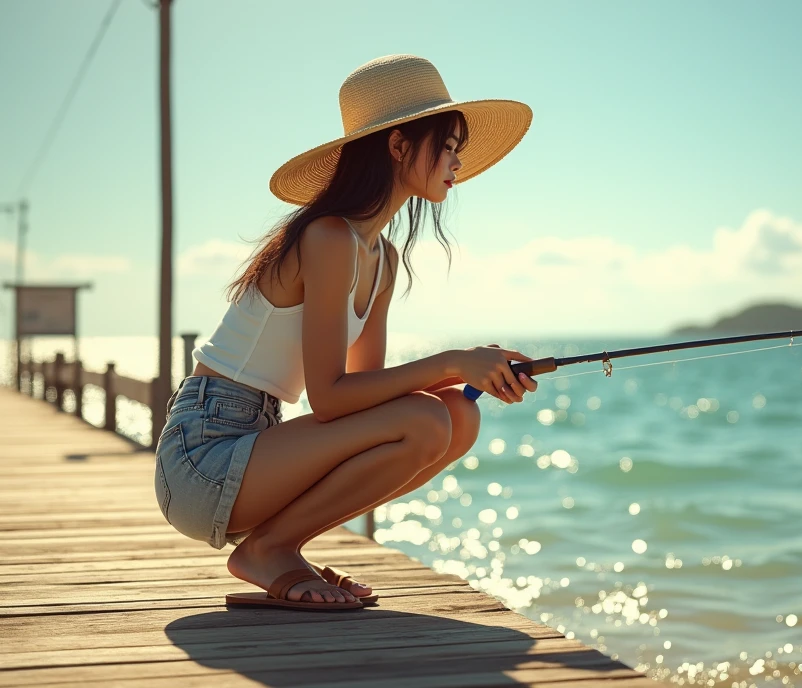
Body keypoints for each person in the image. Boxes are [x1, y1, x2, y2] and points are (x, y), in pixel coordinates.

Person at [153, 54, 538, 610]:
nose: (457, 161)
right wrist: (454, 361)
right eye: (447, 145)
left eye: (458, 147)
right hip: (202, 455)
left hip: (258, 443)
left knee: (456, 415)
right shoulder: (328, 236)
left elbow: (367, 396)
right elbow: (331, 398)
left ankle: (275, 547)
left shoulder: (381, 259)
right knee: (429, 414)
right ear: (398, 146)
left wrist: (474, 375)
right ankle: (272, 549)